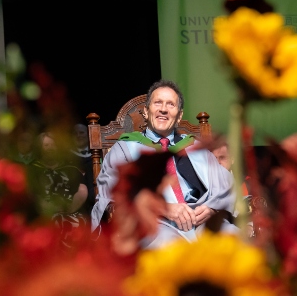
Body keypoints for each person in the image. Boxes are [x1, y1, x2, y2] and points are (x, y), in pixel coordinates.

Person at [91, 79, 238, 249]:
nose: (163, 109)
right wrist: (164, 208)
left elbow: (227, 185)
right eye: (158, 103)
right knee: (170, 251)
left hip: (202, 222)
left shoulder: (195, 147)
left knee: (237, 244)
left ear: (179, 115)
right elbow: (113, 197)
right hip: (156, 225)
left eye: (170, 104)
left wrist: (212, 207)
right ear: (146, 112)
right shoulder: (124, 149)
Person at [27, 131, 88, 248]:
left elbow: (82, 191)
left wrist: (65, 210)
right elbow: (32, 193)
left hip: (70, 212)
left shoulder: (71, 168)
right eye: (46, 145)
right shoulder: (34, 169)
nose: (50, 148)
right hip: (43, 214)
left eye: (52, 145)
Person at [65, 123, 95, 213]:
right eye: (75, 133)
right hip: (76, 205)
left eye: (81, 133)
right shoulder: (66, 158)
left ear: (88, 135)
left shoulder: (98, 155)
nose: (78, 136)